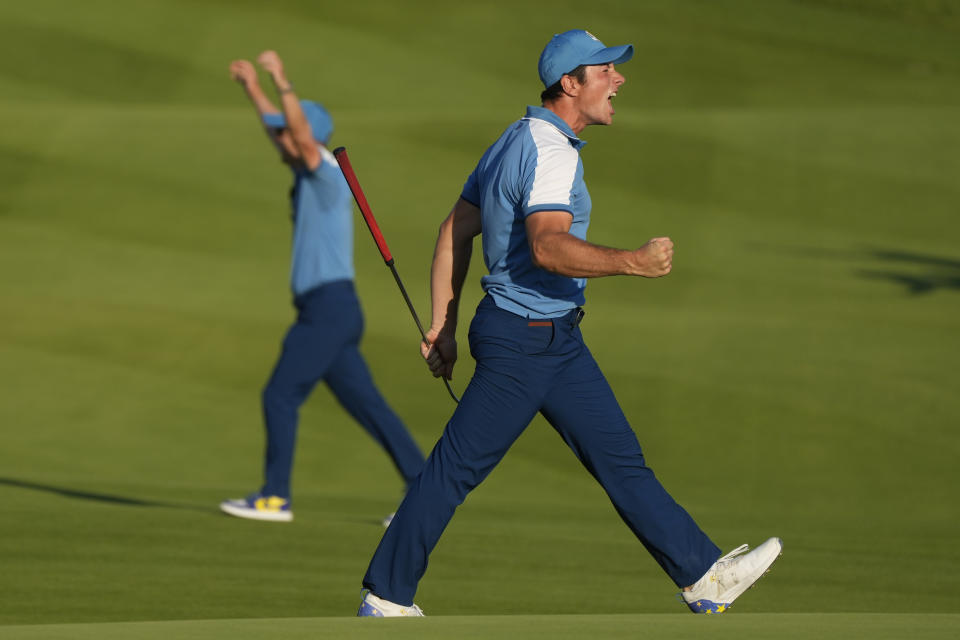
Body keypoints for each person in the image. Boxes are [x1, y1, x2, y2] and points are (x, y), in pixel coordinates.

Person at [356, 30, 781, 617]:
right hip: (522, 341)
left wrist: (444, 323)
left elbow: (453, 231)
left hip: (553, 340)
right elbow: (549, 248)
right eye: (605, 70)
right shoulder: (550, 152)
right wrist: (631, 262)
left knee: (621, 462)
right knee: (455, 468)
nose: (619, 79)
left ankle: (704, 577)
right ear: (570, 83)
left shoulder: (513, 138)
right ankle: (386, 594)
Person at [220, 51, 424, 523]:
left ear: (305, 135)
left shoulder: (323, 172)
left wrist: (281, 81)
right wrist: (252, 87)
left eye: (285, 131)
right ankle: (421, 488)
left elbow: (299, 137)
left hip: (328, 309)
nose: (277, 139)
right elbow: (282, 130)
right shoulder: (307, 173)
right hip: (332, 309)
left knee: (279, 395)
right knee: (368, 405)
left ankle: (275, 497)